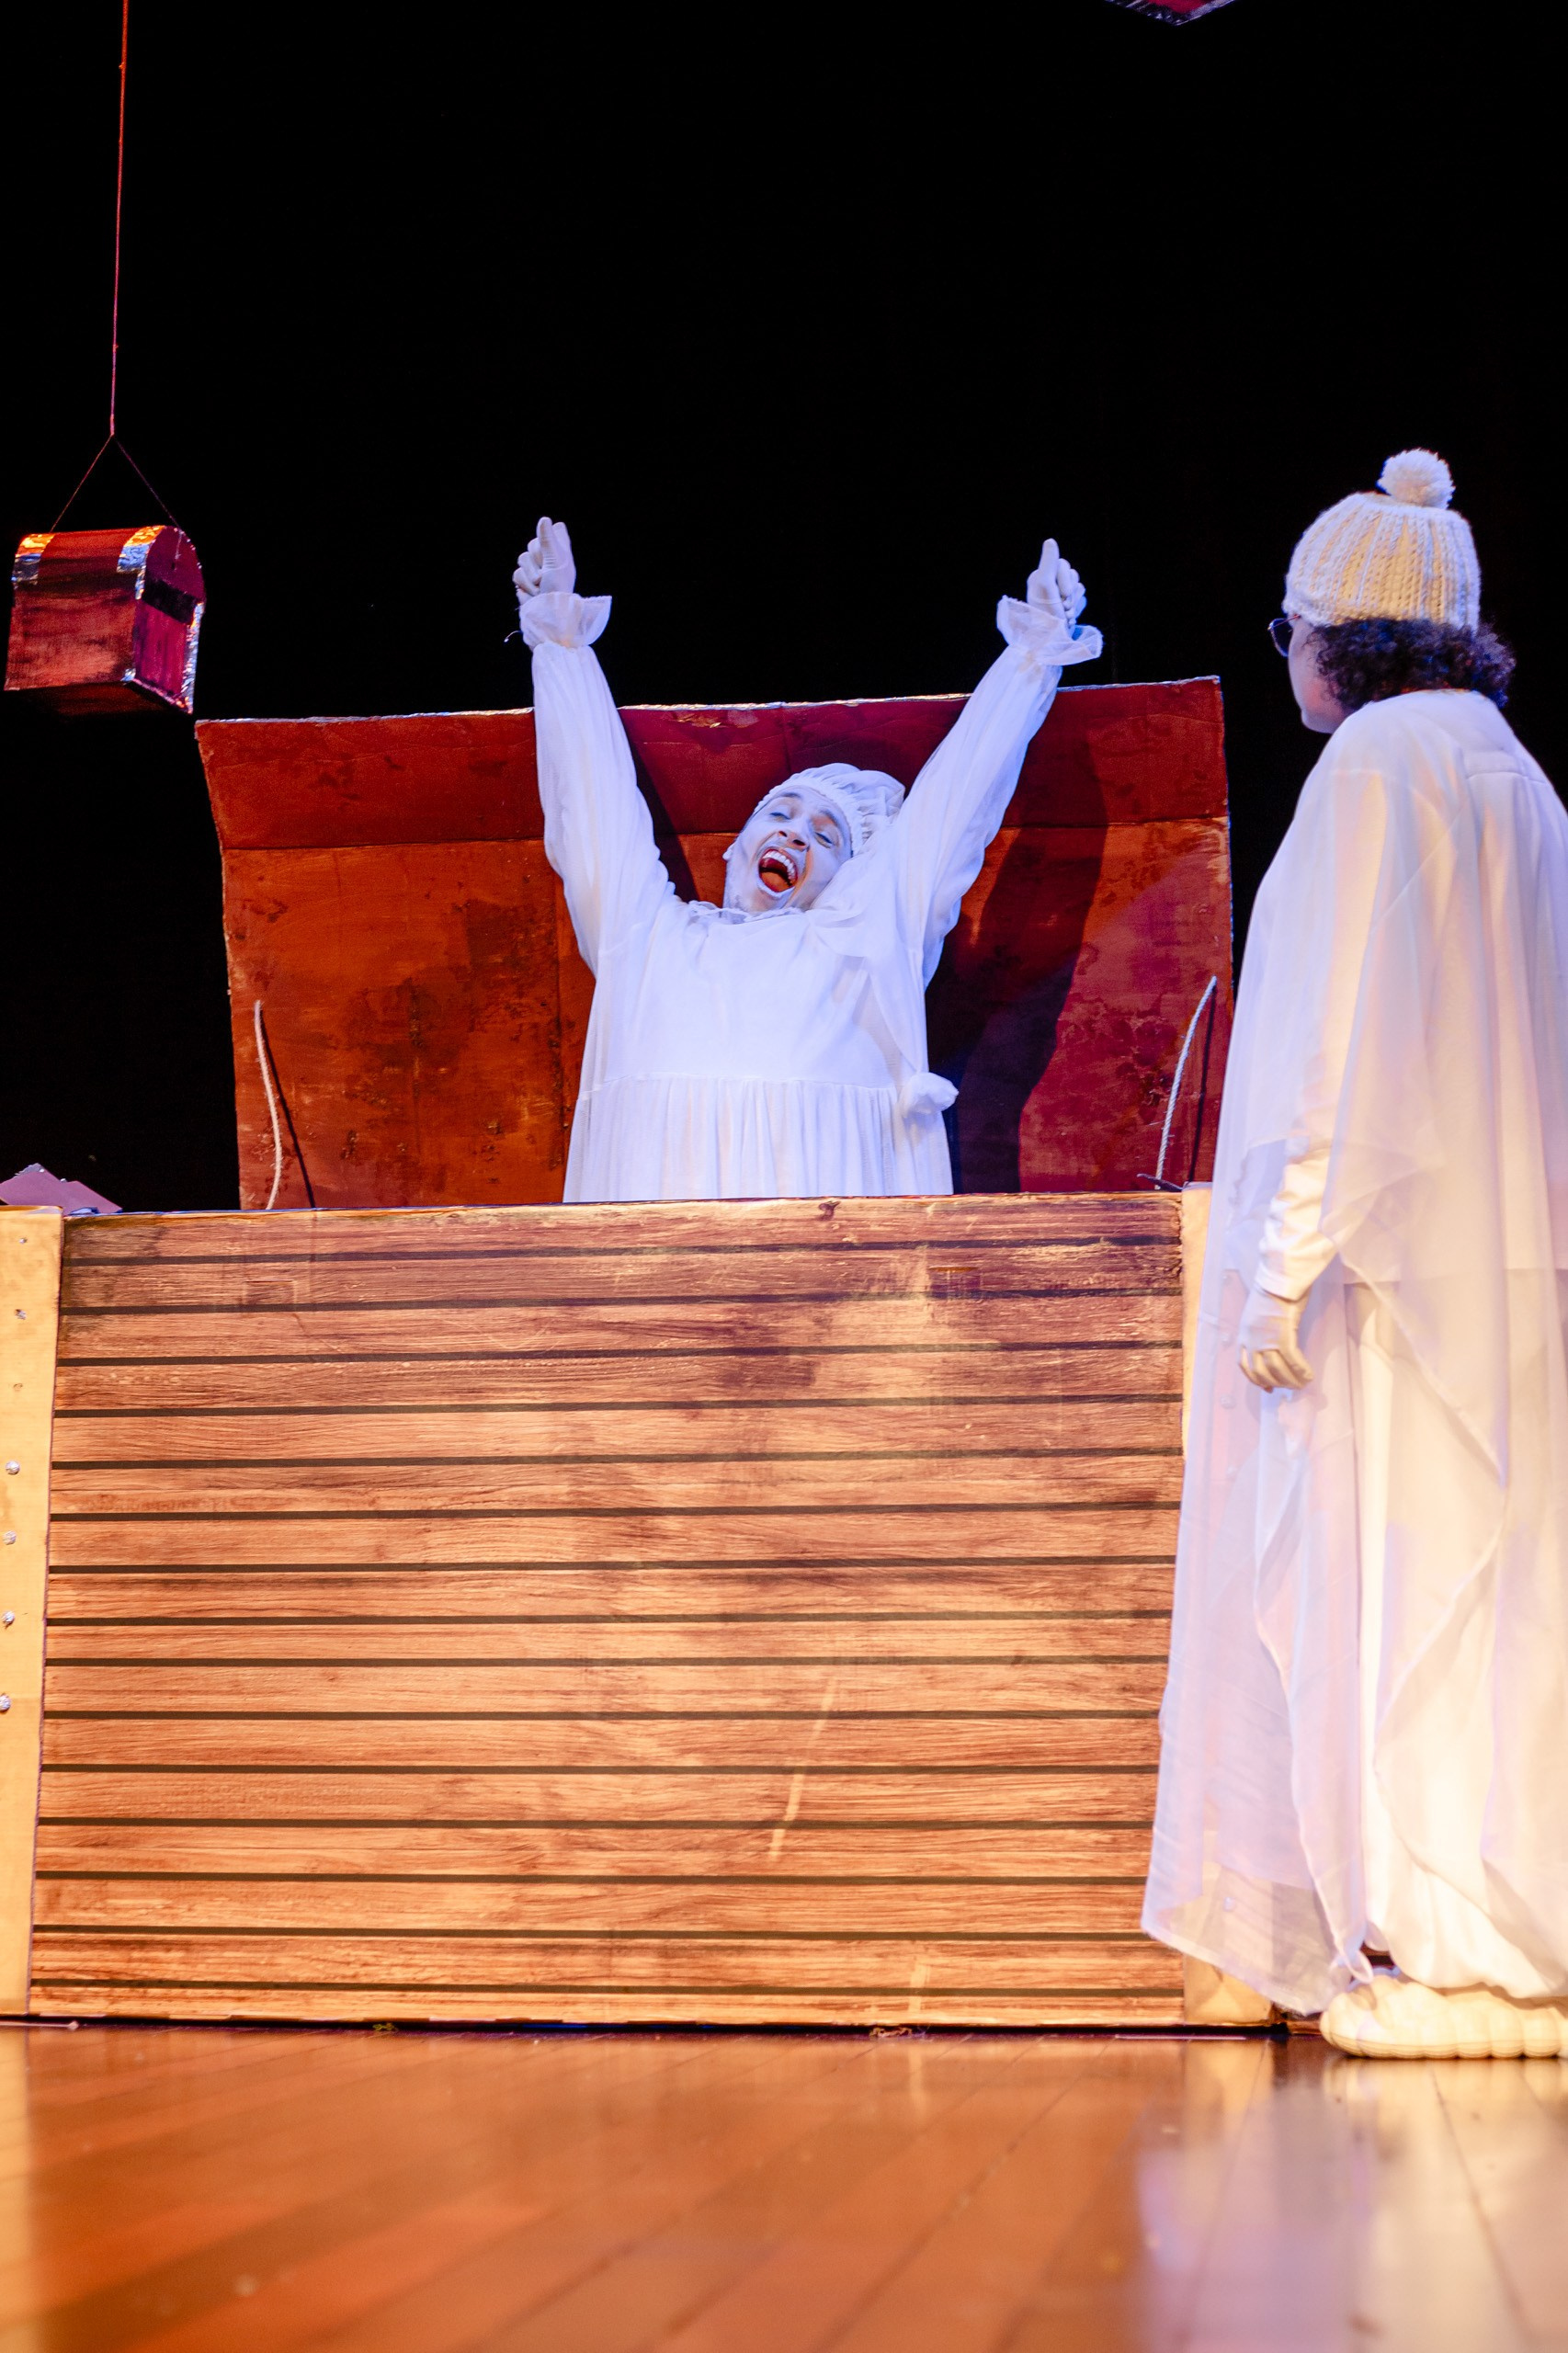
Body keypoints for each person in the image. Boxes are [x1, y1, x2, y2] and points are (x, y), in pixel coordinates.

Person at [1144, 450, 1568, 2059]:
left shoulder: (1379, 764)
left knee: (1397, 1600)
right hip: (1501, 1261)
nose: (1291, 660)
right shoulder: (1510, 769)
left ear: (1339, 636)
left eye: (1292, 629)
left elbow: (1333, 1036)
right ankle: (1500, 1934)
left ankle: (1456, 1949)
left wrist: (1282, 1257)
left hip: (1385, 1271)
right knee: (1496, 1598)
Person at [513, 518, 1099, 1202]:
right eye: (781, 815)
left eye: (826, 838)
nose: (795, 835)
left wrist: (1031, 657)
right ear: (735, 846)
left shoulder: (863, 940)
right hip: (658, 1223)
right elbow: (594, 805)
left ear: (853, 878)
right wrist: (560, 643)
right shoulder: (645, 937)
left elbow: (953, 809)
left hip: (818, 1222)